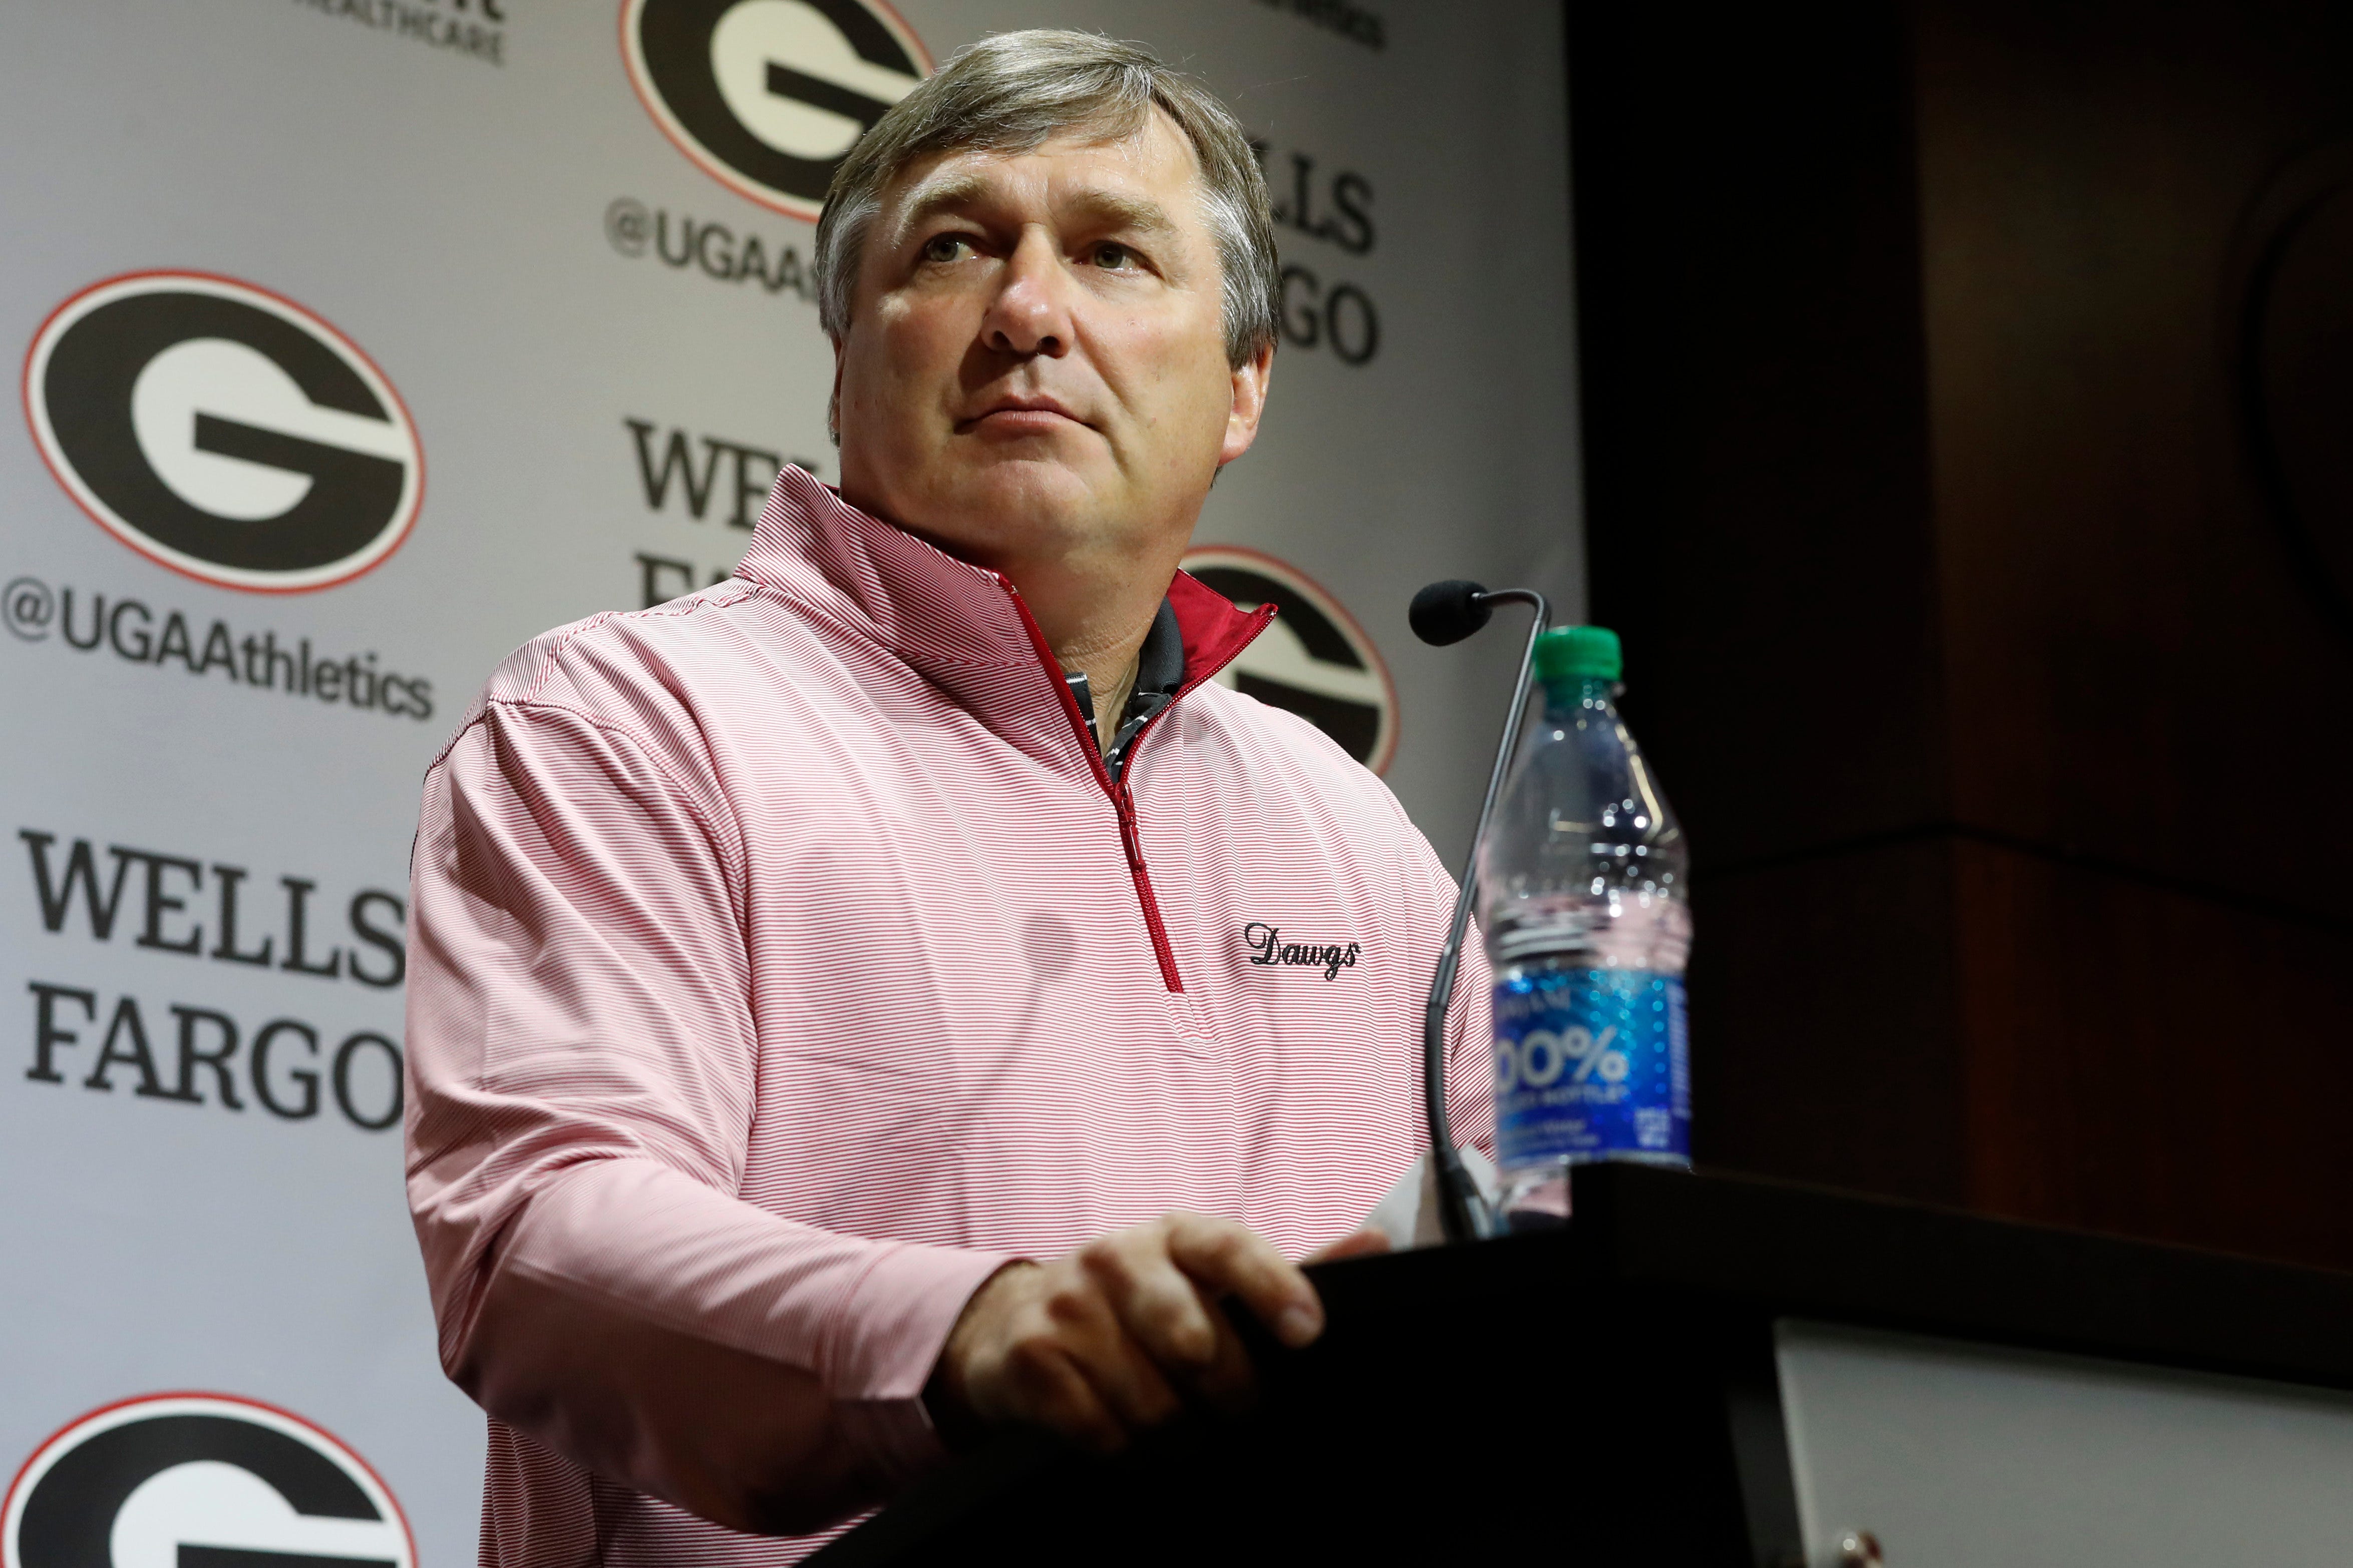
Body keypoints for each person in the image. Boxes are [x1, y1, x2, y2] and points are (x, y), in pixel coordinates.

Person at [403, 28, 1489, 1565]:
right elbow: (540, 1243)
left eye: (1113, 254)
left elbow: (1525, 1243)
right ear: (849, 349)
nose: (1029, 313)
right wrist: (964, 1334)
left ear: (1241, 387)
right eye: (959, 247)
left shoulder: (1353, 827)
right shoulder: (628, 719)